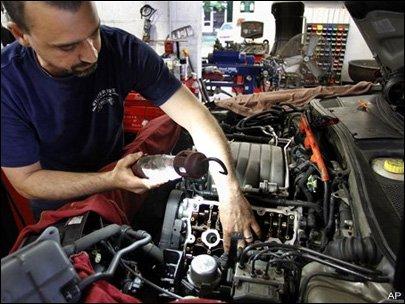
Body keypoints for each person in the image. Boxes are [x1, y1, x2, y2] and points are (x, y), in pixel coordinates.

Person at [1, 1, 260, 252]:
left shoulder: (122, 49)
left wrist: (230, 192)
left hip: (121, 183)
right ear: (20, 34)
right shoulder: (7, 84)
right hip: (61, 206)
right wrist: (108, 179)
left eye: (94, 32)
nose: (92, 54)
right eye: (68, 47)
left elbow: (195, 116)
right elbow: (28, 180)